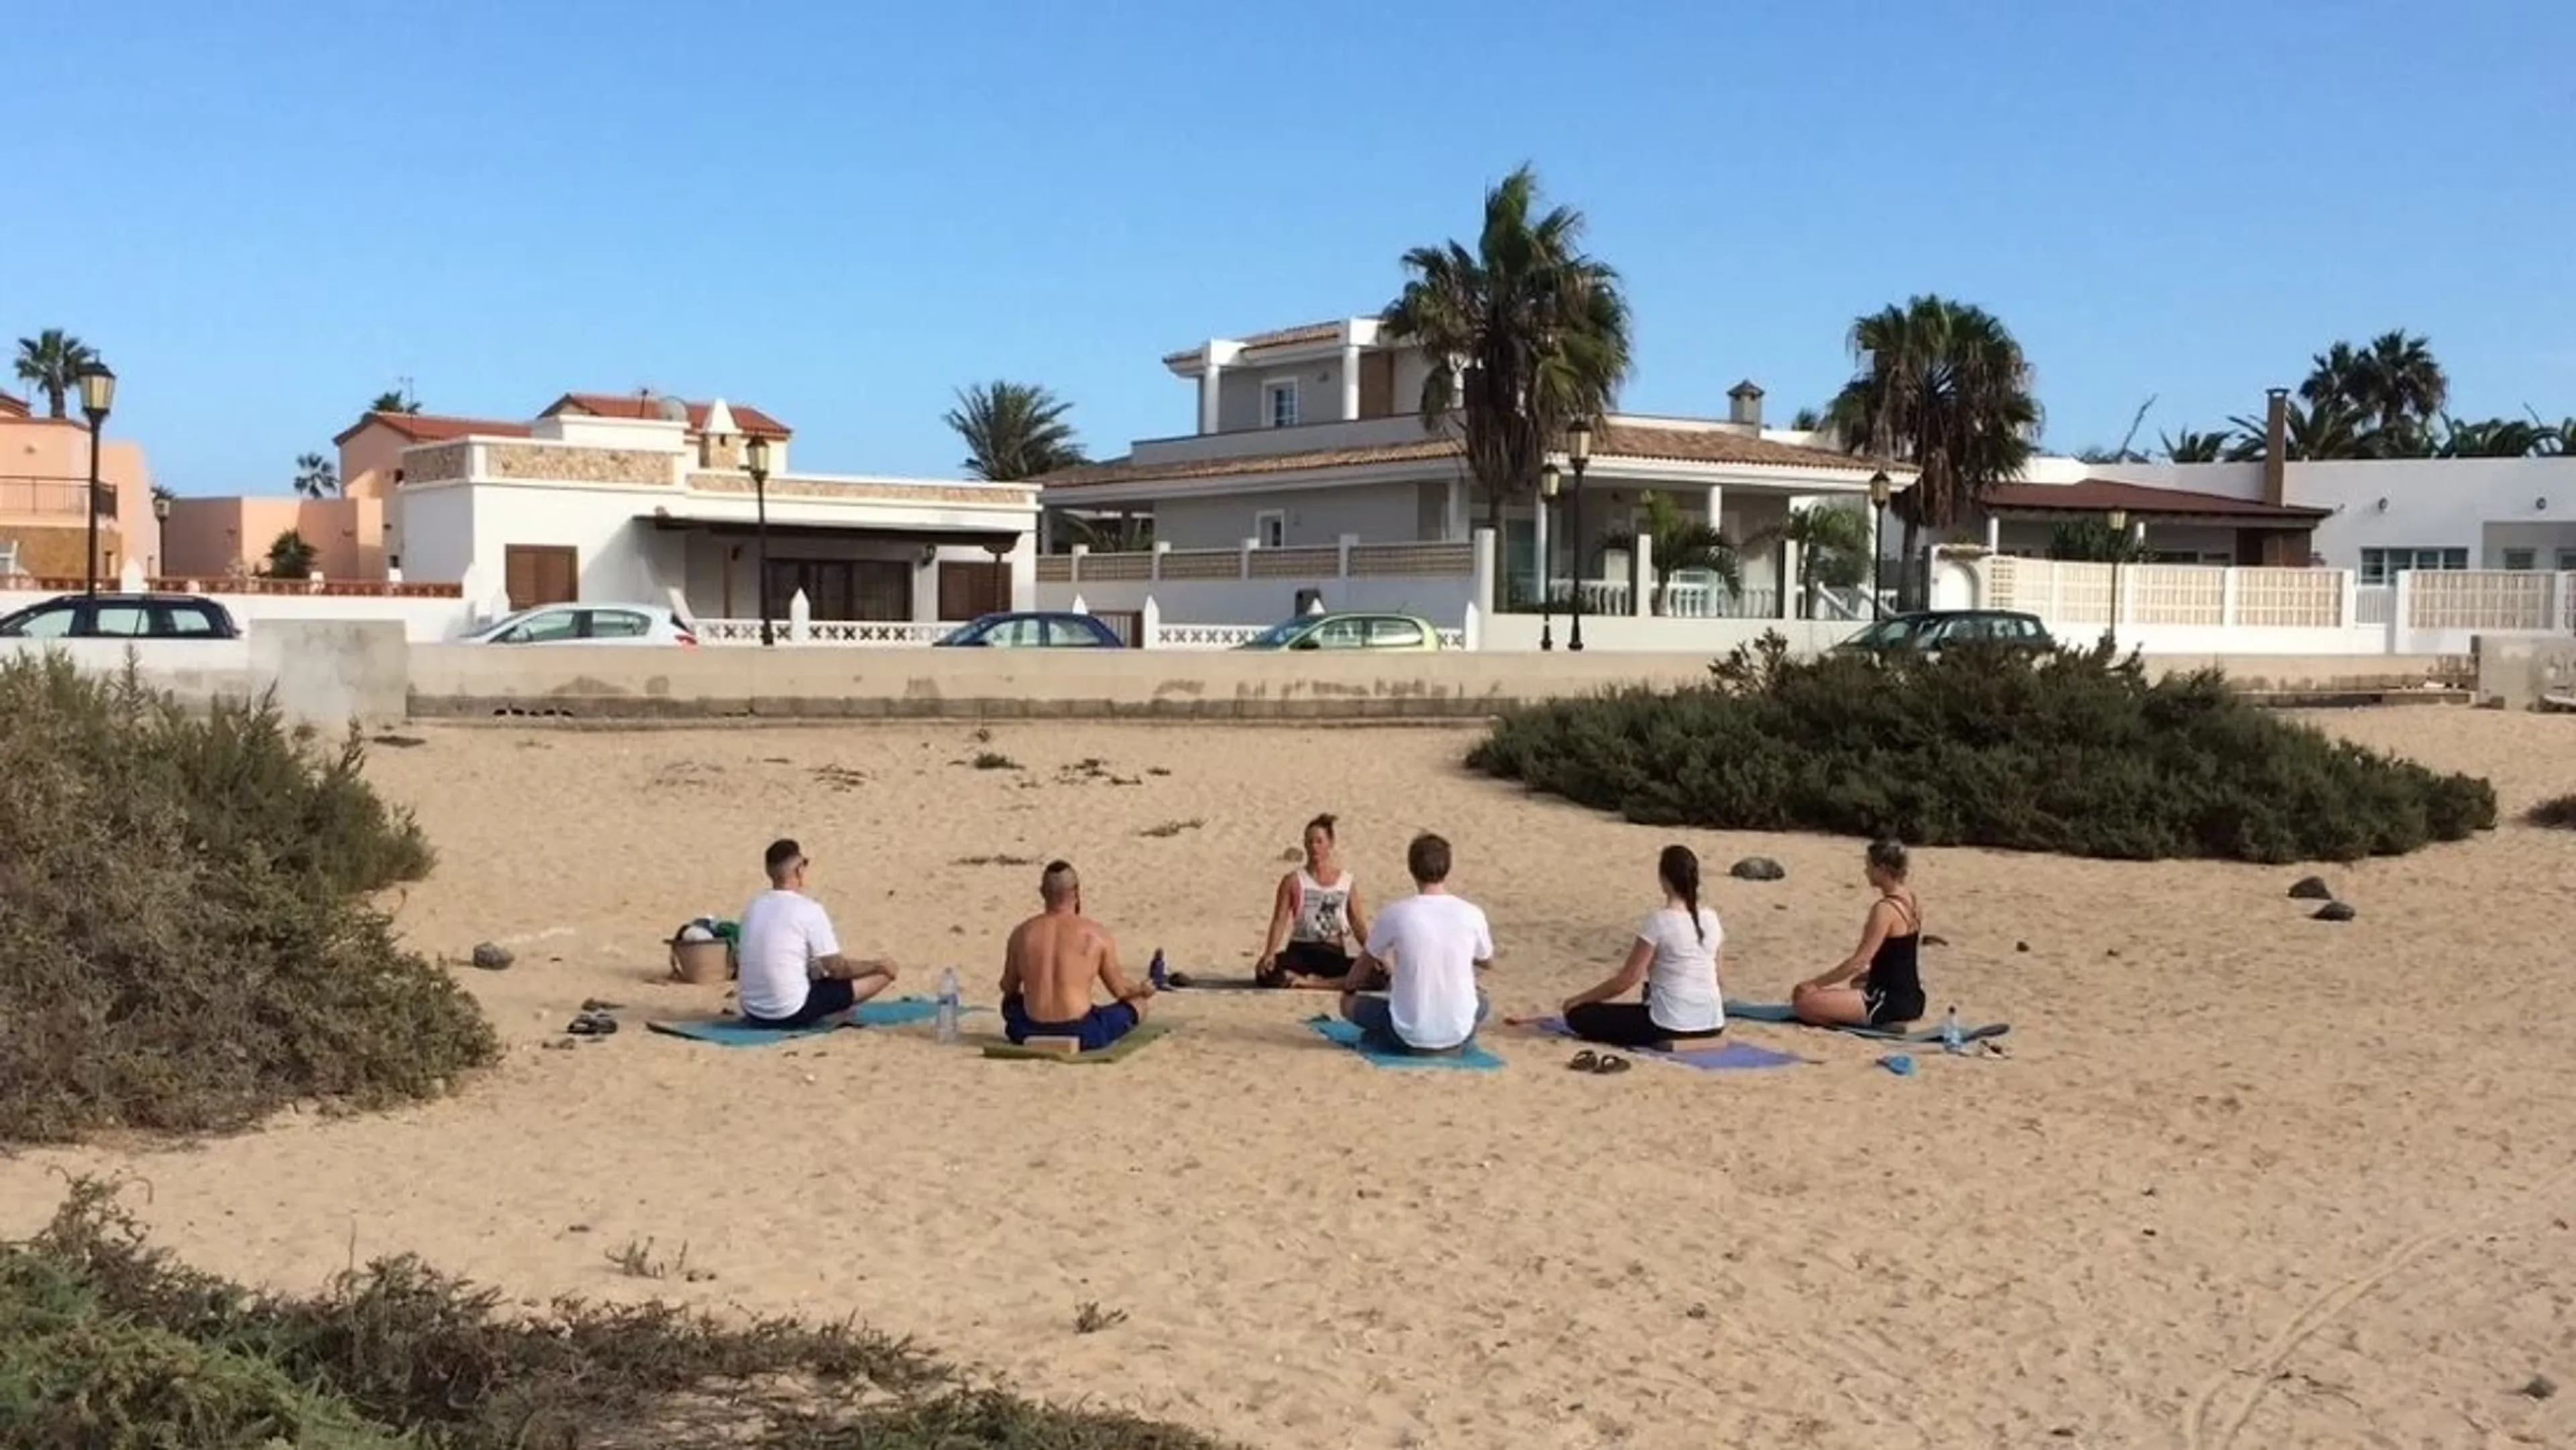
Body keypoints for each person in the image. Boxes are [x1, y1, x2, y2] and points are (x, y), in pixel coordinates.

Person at [1340, 832, 1493, 1054]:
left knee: (1349, 1005)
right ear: (1447, 868)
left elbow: (1360, 971)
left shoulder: (1396, 913)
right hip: (1459, 1033)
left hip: (1408, 1035)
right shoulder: (1472, 914)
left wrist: (1349, 990)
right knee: (1483, 1002)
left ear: (1412, 868)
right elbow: (1487, 961)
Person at [1560, 844, 1725, 1049]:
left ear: (1664, 879)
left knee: (1581, 1016)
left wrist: (1579, 1000)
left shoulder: (1659, 921)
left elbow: (1627, 979)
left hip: (1668, 1025)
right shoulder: (1712, 919)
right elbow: (1718, 979)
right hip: (1713, 1023)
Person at [737, 838, 899, 1029]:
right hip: (789, 1012)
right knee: (885, 973)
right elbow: (839, 969)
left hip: (753, 1010)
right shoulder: (808, 909)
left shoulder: (753, 907)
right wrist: (877, 965)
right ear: (799, 870)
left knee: (814, 969)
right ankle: (835, 1012)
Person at [1000, 860, 1154, 1051]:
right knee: (1138, 1005)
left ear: (1042, 892)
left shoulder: (1021, 933)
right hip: (1082, 1031)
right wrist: (1142, 989)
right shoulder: (1096, 935)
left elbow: (1008, 987)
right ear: (1076, 892)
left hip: (1028, 1030)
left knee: (1010, 1003)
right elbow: (1120, 990)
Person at [1790, 838, 1925, 1029]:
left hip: (1887, 1002)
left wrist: (1814, 984)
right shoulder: (1912, 901)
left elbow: (1859, 961)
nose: (1866, 871)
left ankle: (1878, 1022)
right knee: (1858, 981)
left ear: (1883, 869)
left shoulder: (1885, 909)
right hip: (1913, 999)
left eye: (1869, 866)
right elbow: (1900, 956)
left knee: (1804, 1003)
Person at [1254, 813, 1371, 989]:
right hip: (1302, 950)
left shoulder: (1346, 882)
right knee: (1266, 973)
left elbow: (1357, 923)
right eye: (1309, 842)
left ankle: (1315, 984)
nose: (1314, 847)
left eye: (1319, 842)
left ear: (1330, 843)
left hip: (1332, 951)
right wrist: (1269, 953)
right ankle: (1317, 981)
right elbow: (1279, 920)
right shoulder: (1293, 880)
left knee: (1375, 976)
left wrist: (1372, 954)